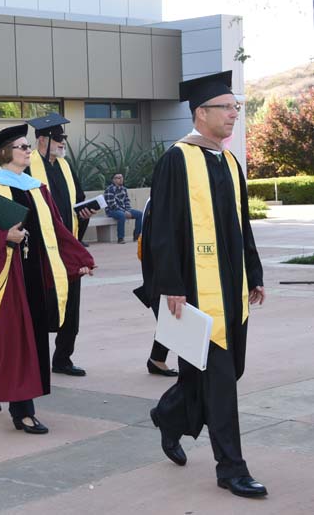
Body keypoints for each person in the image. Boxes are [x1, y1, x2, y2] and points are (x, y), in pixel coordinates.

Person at [139, 71, 267, 498]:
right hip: (195, 289)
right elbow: (161, 229)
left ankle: (170, 414)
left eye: (236, 107)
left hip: (232, 286)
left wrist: (255, 272)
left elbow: (240, 224)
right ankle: (231, 467)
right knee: (219, 380)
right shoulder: (178, 158)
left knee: (222, 371)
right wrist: (170, 284)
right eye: (227, 107)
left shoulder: (228, 160)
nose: (234, 114)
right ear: (201, 112)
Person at [0, 124, 95, 434]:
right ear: (6, 152)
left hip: (37, 273)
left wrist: (80, 259)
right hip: (7, 276)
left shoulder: (37, 187)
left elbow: (59, 230)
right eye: (22, 146)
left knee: (28, 340)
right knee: (15, 338)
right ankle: (23, 411)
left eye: (28, 146)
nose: (28, 150)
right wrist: (3, 237)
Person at [26, 113, 96, 377]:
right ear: (42, 140)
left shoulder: (66, 167)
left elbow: (77, 202)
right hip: (41, 251)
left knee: (72, 306)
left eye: (63, 138)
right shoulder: (29, 167)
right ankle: (36, 360)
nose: (62, 143)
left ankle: (63, 358)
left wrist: (84, 214)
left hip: (67, 248)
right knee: (42, 305)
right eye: (58, 138)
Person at [134, 198, 178, 378]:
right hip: (160, 273)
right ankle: (157, 359)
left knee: (170, 320)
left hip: (162, 272)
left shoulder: (157, 200)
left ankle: (156, 359)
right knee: (171, 319)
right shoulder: (158, 202)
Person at [104, 173, 143, 244]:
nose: (121, 179)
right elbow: (112, 204)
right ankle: (120, 238)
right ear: (114, 180)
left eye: (121, 177)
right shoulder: (109, 189)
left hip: (124, 210)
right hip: (112, 211)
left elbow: (127, 201)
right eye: (118, 178)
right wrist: (125, 212)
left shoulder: (124, 189)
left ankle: (136, 236)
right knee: (122, 215)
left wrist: (128, 210)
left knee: (140, 214)